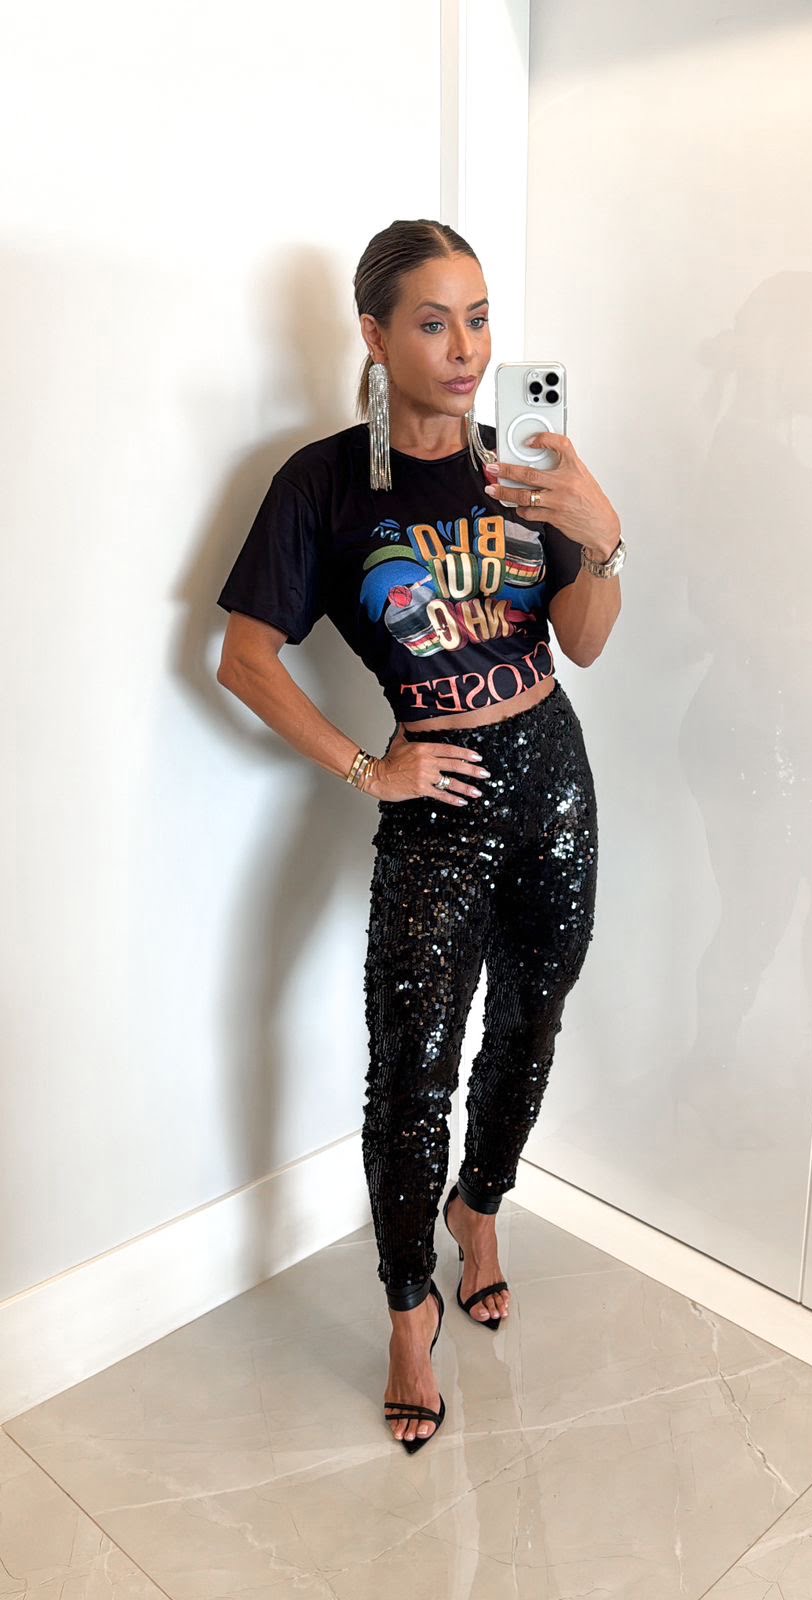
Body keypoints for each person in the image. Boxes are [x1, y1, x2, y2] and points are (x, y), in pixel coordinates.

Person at [216, 218, 625, 1451]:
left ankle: (479, 1207)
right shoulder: (325, 484)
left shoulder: (522, 470)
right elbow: (244, 658)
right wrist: (370, 768)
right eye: (435, 322)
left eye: (480, 318)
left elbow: (585, 641)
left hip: (552, 773)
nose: (465, 349)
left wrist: (600, 532)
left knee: (532, 1019)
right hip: (437, 798)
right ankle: (408, 1308)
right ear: (376, 335)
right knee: (411, 1066)